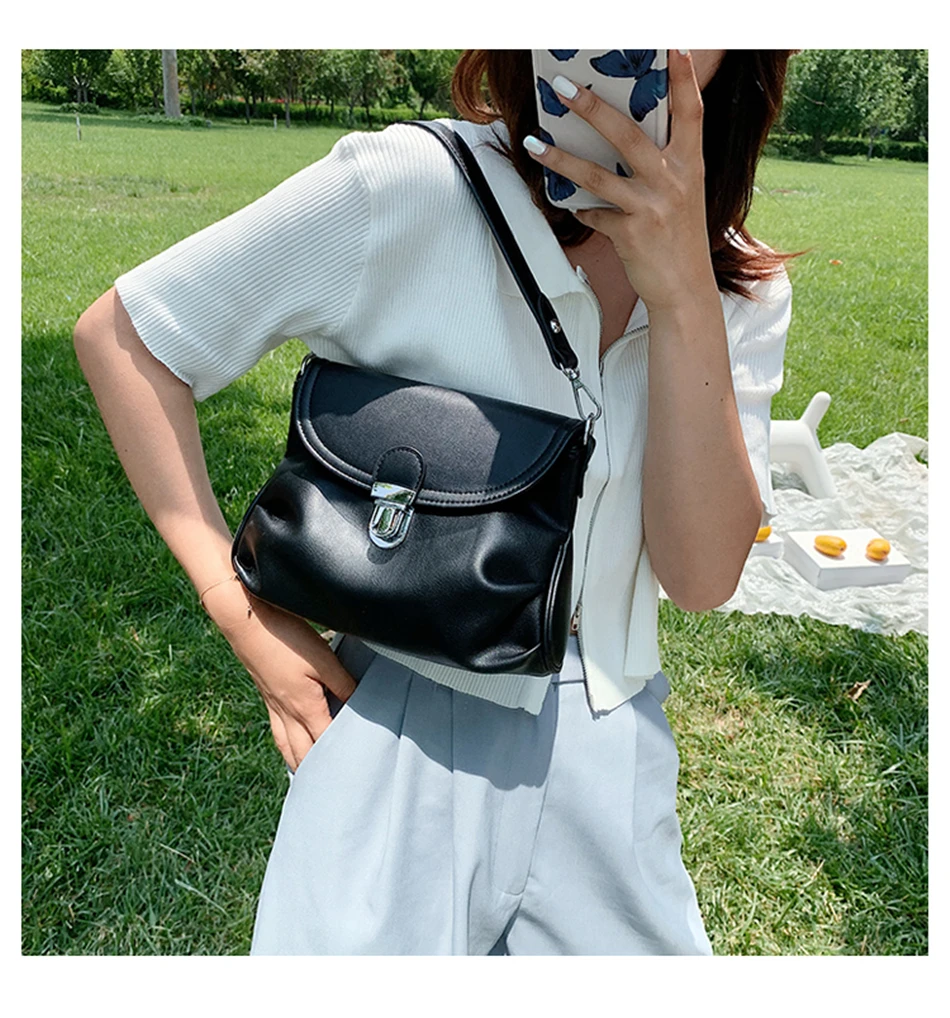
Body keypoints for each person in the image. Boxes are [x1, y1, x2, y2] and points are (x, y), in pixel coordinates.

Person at [73, 49, 795, 955]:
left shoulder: (741, 283)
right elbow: (129, 338)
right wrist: (238, 610)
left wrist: (685, 293)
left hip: (614, 744)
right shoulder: (411, 186)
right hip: (395, 718)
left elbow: (701, 577)